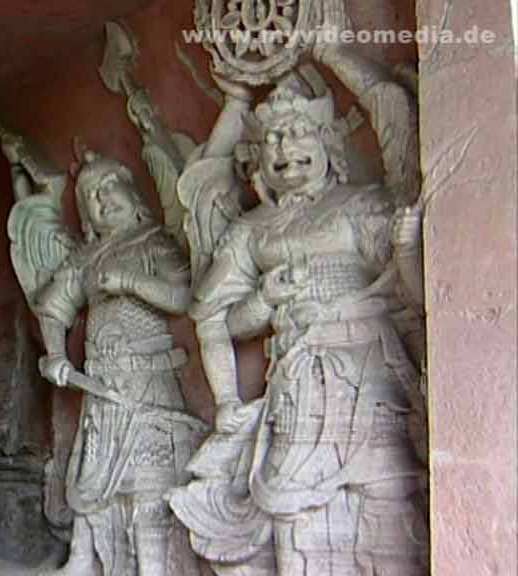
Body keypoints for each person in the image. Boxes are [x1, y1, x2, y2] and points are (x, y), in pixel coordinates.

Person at [168, 15, 428, 575]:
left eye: (299, 133)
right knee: (290, 504)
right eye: (274, 142)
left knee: (385, 493)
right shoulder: (253, 231)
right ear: (259, 162)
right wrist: (262, 301)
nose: (286, 149)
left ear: (329, 142)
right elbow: (213, 314)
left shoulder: (363, 207)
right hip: (298, 383)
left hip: (369, 372)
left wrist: (406, 249)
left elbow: (421, 292)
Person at [35, 151, 204, 576]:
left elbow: (183, 296)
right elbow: (54, 308)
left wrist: (130, 282)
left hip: (147, 377)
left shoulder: (153, 241)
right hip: (100, 383)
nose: (102, 198)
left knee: (148, 478)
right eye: (90, 195)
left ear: (132, 191)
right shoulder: (86, 258)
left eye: (109, 185)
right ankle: (82, 558)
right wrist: (56, 353)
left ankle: (151, 566)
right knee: (93, 472)